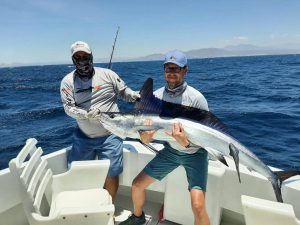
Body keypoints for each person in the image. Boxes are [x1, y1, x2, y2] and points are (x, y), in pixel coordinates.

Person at [120, 50, 210, 225]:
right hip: (170, 151)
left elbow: (206, 135)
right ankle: (138, 218)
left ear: (185, 71)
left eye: (176, 69)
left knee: (198, 206)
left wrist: (185, 142)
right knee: (137, 185)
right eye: (168, 68)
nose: (172, 73)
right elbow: (147, 136)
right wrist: (145, 139)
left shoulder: (197, 98)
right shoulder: (157, 96)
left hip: (196, 154)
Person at [60, 41, 140, 202]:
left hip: (111, 134)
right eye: (78, 57)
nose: (82, 60)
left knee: (112, 173)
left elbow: (123, 91)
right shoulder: (67, 81)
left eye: (85, 56)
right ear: (73, 60)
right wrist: (86, 114)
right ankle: (85, 204)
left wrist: (134, 95)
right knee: (77, 171)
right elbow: (68, 108)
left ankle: (107, 207)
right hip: (83, 137)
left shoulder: (108, 74)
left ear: (92, 56)